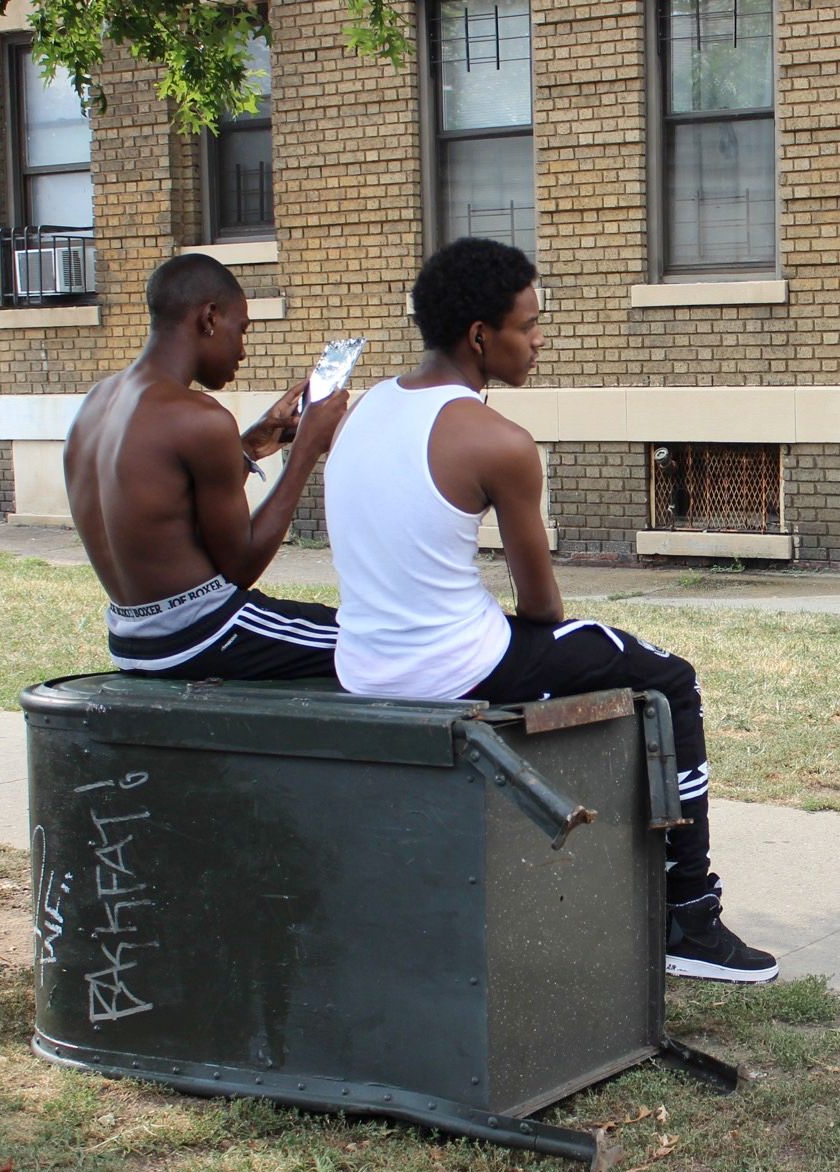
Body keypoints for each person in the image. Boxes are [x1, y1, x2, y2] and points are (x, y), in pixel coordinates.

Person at [324, 237, 777, 984]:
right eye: (528, 325)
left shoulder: (366, 408)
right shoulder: (499, 441)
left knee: (586, 655)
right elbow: (541, 605)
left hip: (362, 663)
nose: (539, 340)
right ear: (479, 336)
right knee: (671, 680)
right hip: (455, 668)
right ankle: (688, 913)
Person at [64, 254, 350, 678]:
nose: (243, 351)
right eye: (242, 330)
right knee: (382, 641)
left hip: (131, 639)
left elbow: (166, 495)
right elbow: (241, 569)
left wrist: (253, 443)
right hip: (203, 634)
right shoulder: (200, 417)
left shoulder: (96, 403)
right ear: (210, 318)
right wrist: (306, 448)